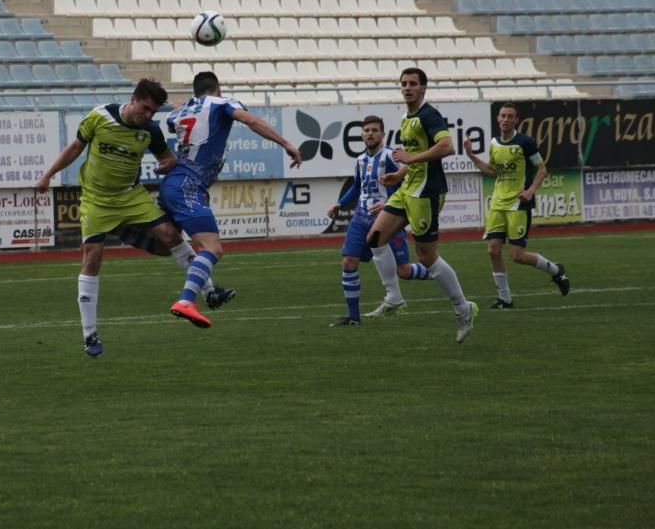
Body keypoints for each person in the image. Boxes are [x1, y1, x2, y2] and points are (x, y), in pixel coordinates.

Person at [35, 79, 221, 358]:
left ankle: (209, 292)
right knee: (93, 257)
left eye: (152, 112)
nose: (147, 115)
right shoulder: (99, 117)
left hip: (131, 196)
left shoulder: (150, 131)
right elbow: (75, 147)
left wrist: (166, 165)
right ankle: (90, 335)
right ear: (133, 100)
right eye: (144, 108)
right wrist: (48, 175)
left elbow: (167, 158)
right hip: (96, 200)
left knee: (170, 235)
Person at [160, 71, 303, 320]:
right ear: (218, 89)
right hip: (188, 184)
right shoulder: (222, 103)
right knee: (213, 248)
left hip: (173, 183)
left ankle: (210, 292)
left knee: (180, 240)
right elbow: (252, 121)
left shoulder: (180, 112)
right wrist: (286, 143)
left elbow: (173, 121)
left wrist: (183, 105)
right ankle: (186, 300)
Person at [365, 67, 479, 343]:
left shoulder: (429, 115)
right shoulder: (407, 117)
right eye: (403, 83)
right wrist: (400, 173)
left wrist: (411, 159)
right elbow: (411, 157)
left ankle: (463, 309)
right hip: (408, 188)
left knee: (427, 256)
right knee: (375, 238)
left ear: (423, 88)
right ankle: (394, 298)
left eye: (413, 84)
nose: (407, 88)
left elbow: (447, 147)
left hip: (426, 192)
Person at [327, 115, 432, 327]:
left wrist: (388, 204)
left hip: (388, 219)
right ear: (362, 135)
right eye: (366, 130)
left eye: (374, 130)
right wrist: (339, 204)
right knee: (349, 261)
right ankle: (354, 318)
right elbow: (357, 187)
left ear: (382, 135)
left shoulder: (392, 157)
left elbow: (408, 182)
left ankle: (436, 271)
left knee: (403, 271)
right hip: (361, 217)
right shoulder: (360, 160)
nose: (370, 134)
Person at [463, 102, 569, 308]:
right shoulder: (494, 143)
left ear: (516, 120)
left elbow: (541, 169)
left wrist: (530, 191)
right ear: (498, 119)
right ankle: (505, 299)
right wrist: (471, 156)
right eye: (503, 116)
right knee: (493, 251)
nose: (505, 119)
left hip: (518, 204)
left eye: (510, 116)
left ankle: (556, 270)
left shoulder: (525, 142)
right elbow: (493, 171)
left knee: (517, 256)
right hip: (498, 203)